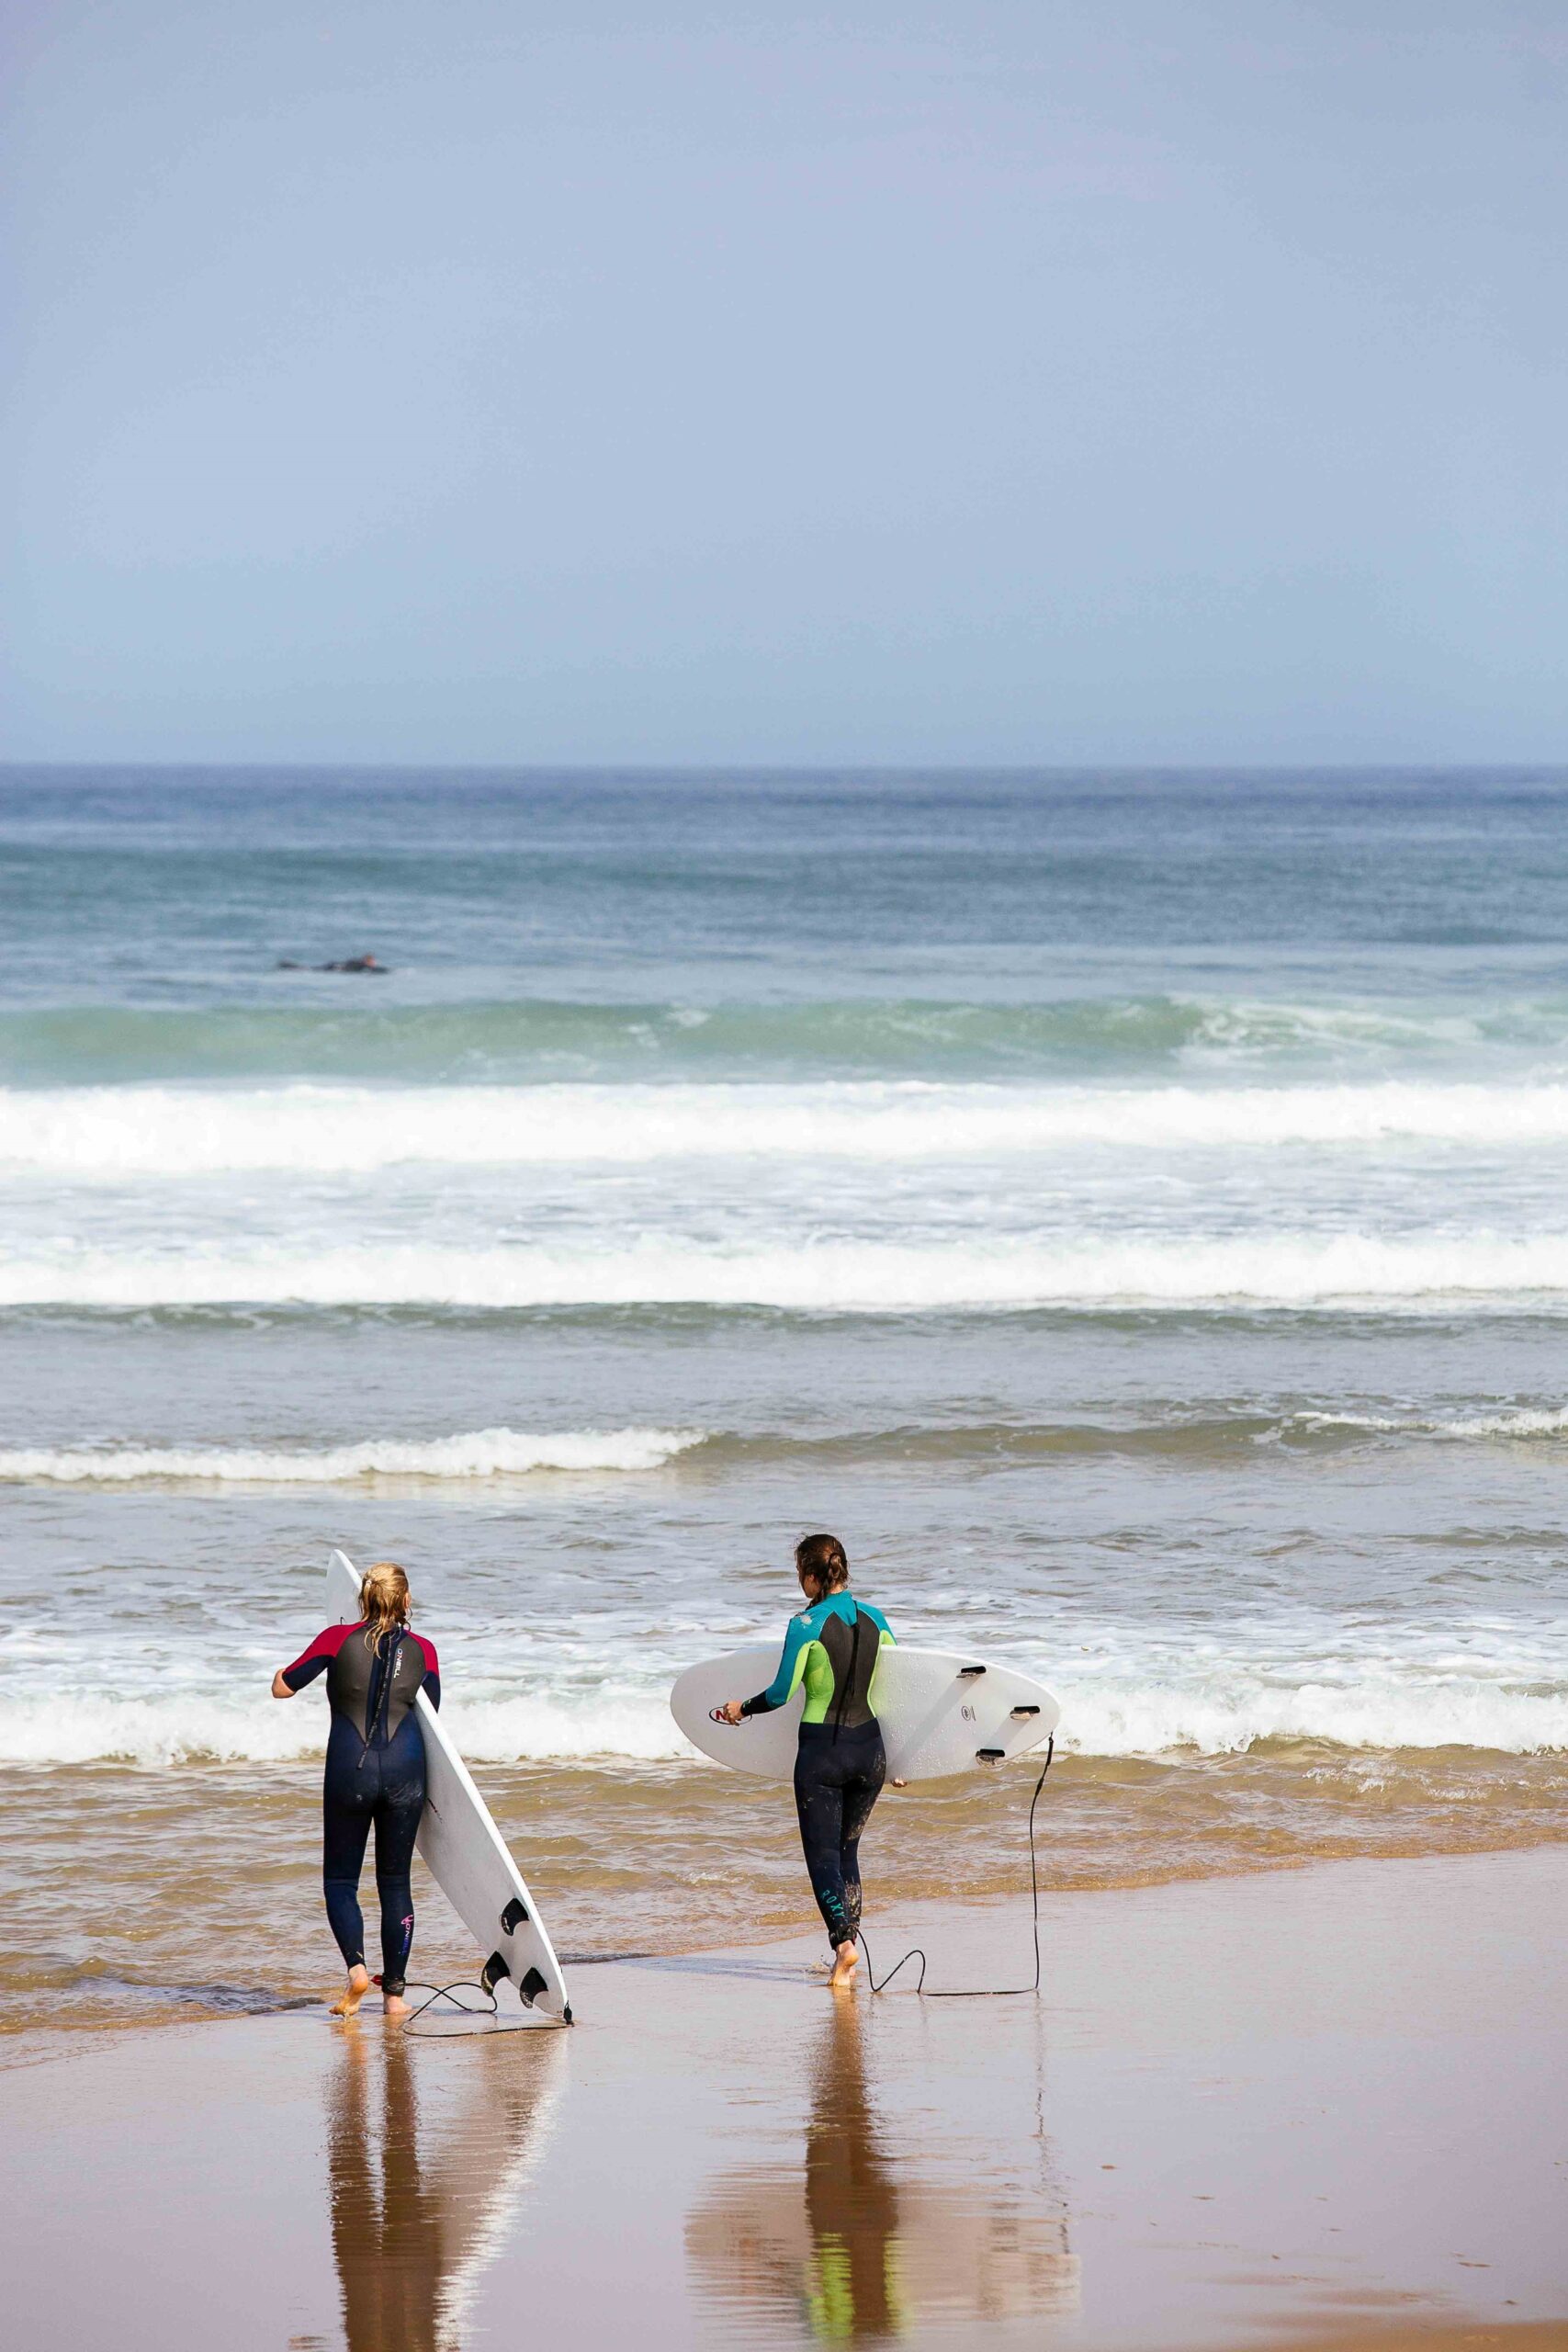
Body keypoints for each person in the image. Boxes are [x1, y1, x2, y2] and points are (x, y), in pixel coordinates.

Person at [716, 1533, 894, 1992]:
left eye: (799, 1575)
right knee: (849, 1851)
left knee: (822, 1857)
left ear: (812, 1577)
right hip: (872, 1751)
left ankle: (843, 1945)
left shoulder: (805, 1624)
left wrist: (742, 1709)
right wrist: (904, 1761)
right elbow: (901, 1690)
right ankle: (846, 1961)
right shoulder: (878, 1618)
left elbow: (779, 1693)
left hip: (823, 1755)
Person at [272, 1561, 439, 2019]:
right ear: (406, 1602)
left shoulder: (334, 1640)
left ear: (361, 1600)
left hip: (349, 1771)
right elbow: (433, 1720)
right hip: (406, 1775)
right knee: (395, 1882)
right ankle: (395, 1997)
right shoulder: (425, 1650)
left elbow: (282, 1689)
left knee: (341, 1881)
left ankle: (357, 1970)